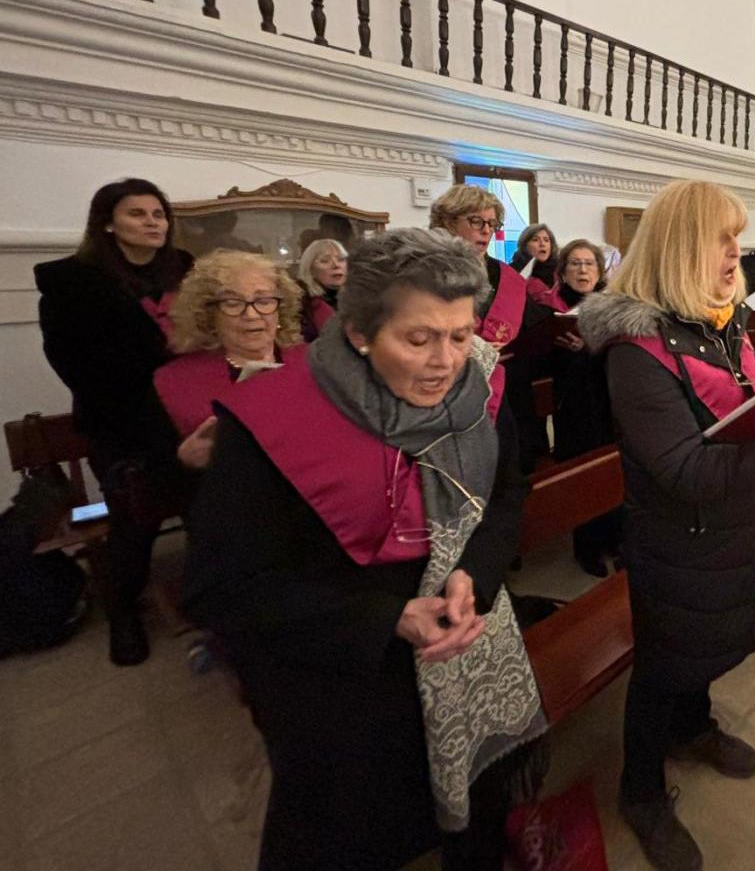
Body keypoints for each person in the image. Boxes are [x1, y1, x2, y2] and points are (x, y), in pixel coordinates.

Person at [182, 228, 543, 870]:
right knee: (356, 828)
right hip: (342, 668)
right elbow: (222, 588)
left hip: (465, 635)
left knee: (478, 811)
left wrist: (475, 574)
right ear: (358, 333)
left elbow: (507, 492)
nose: (446, 362)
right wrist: (387, 618)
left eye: (461, 335)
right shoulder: (269, 416)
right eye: (418, 338)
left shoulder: (479, 386)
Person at [577, 180, 755, 871]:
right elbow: (683, 469)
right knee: (664, 662)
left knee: (707, 646)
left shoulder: (717, 322)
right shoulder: (635, 349)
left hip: (736, 522)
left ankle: (693, 726)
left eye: (739, 237)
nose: (738, 252)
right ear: (680, 247)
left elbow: (741, 415)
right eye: (722, 238)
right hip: (680, 538)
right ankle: (641, 791)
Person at [34, 178, 193, 665]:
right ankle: (123, 611)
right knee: (134, 521)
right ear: (107, 223)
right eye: (137, 214)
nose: (152, 223)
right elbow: (70, 362)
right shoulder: (73, 281)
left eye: (159, 214)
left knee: (209, 510)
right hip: (122, 425)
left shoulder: (183, 270)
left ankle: (210, 598)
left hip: (186, 416)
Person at [155, 250, 305, 470]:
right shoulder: (175, 380)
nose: (252, 315)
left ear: (280, 311)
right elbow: (150, 470)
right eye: (233, 303)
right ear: (209, 315)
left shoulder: (315, 363)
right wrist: (184, 461)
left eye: (263, 301)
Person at [537, 238, 621, 576]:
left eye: (589, 264)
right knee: (584, 476)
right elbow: (543, 364)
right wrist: (569, 351)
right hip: (573, 408)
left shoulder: (612, 307)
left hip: (611, 402)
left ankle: (616, 541)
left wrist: (592, 348)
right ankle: (587, 549)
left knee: (614, 470)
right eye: (575, 263)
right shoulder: (551, 310)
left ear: (600, 271)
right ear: (562, 271)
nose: (583, 270)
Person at [429, 184, 528, 425]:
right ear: (448, 222)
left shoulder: (506, 276)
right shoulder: (425, 269)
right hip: (442, 385)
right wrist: (474, 348)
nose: (486, 230)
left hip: (498, 384)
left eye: (492, 224)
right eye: (476, 221)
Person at [297, 237, 347, 341]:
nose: (336, 265)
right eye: (325, 261)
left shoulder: (358, 298)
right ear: (310, 270)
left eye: (341, 260)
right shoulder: (302, 306)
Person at [511, 222, 558, 302]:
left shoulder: (560, 271)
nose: (542, 244)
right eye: (535, 240)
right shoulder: (513, 271)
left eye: (546, 240)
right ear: (525, 245)